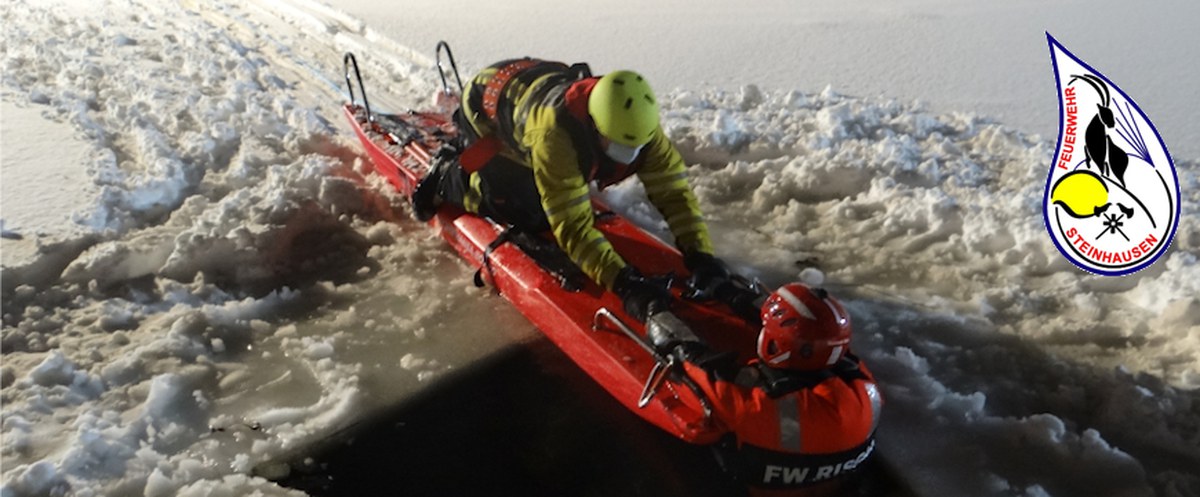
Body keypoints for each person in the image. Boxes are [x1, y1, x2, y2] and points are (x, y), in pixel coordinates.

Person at [413, 57, 729, 320]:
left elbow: (674, 194)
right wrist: (623, 283)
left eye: (633, 149)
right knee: (527, 211)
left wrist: (701, 255)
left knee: (554, 191)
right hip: (487, 104)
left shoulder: (638, 124)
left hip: (532, 81)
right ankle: (447, 175)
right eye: (617, 148)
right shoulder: (555, 135)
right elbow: (573, 227)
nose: (628, 157)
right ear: (593, 124)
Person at [647, 283, 883, 496]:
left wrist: (653, 309)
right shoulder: (864, 386)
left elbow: (698, 367)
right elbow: (815, 336)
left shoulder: (760, 405)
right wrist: (728, 290)